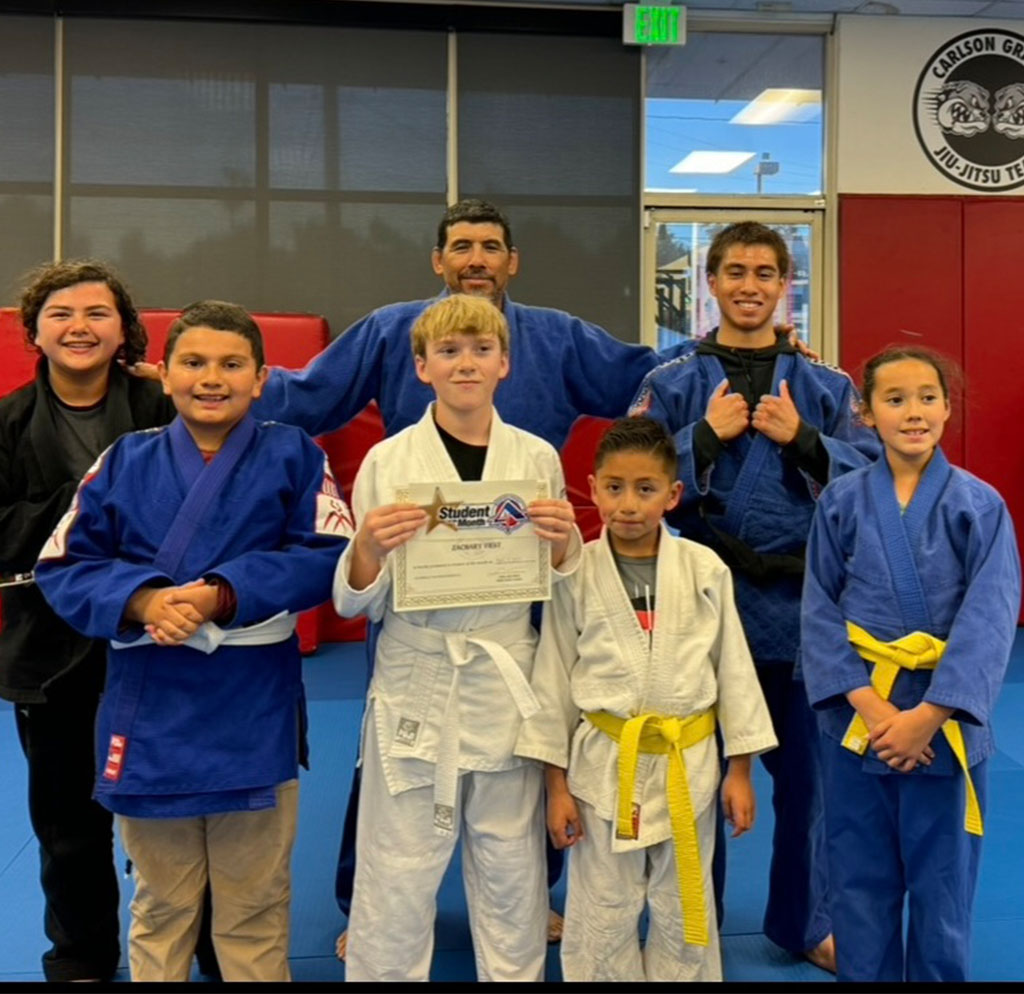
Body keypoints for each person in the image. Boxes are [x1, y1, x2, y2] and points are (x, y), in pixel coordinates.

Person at [33, 301, 353, 982]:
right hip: (152, 705)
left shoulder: (296, 455)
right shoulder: (124, 460)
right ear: (165, 376)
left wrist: (221, 593)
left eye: (232, 363)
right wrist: (145, 599)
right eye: (194, 363)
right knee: (163, 902)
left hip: (252, 704)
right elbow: (64, 564)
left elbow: (329, 553)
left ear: (262, 377)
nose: (213, 378)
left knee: (255, 902)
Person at [629, 222, 880, 972]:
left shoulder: (827, 387)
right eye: (734, 270)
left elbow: (874, 485)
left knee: (811, 783)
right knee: (695, 780)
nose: (749, 285)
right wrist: (702, 438)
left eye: (765, 272)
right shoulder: (670, 379)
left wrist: (806, 441)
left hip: (804, 616)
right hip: (702, 613)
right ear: (710, 281)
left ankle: (806, 923)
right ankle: (690, 925)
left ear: (784, 285)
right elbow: (630, 484)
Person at [333, 294, 578, 981]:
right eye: (448, 352)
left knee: (511, 861)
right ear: (421, 367)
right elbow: (361, 596)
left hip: (505, 676)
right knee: (398, 861)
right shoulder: (388, 460)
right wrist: (369, 551)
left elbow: (559, 585)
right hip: (418, 672)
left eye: (479, 350)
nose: (464, 363)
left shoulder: (534, 459)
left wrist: (562, 548)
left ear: (504, 363)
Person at [515, 417, 777, 981]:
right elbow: (554, 677)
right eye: (614, 487)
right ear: (591, 488)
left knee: (685, 903)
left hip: (690, 762)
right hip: (604, 766)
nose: (628, 504)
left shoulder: (704, 569)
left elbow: (733, 669)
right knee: (601, 908)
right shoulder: (575, 572)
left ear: (672, 495)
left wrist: (741, 771)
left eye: (645, 488)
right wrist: (553, 786)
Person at [800, 347, 1020, 982]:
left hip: (944, 726)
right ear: (865, 414)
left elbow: (989, 617)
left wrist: (927, 714)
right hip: (857, 719)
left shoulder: (979, 505)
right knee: (858, 881)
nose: (914, 412)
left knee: (942, 887)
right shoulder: (840, 501)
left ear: (948, 409)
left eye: (928, 396)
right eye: (895, 399)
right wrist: (872, 710)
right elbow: (818, 609)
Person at [0, 260, 174, 982]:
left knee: (175, 816)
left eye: (97, 313)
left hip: (162, 641)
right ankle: (81, 961)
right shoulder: (8, 422)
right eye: (61, 313)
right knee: (70, 830)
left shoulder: (163, 404)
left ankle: (193, 942)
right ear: (35, 331)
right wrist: (85, 500)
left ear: (123, 328)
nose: (79, 326)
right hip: (52, 650)